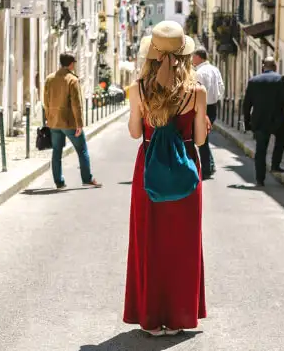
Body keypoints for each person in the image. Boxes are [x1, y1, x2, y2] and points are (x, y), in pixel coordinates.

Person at [124, 21, 209, 336]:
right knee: (182, 245)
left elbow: (135, 133)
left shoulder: (138, 89)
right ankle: (177, 318)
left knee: (150, 243)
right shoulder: (196, 92)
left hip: (148, 169)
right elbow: (199, 140)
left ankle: (151, 318)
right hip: (186, 171)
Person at [43, 52, 101, 190]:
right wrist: (79, 124)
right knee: (82, 150)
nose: (74, 65)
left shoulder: (50, 78)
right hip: (69, 122)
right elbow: (77, 104)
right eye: (74, 63)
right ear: (70, 64)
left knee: (56, 151)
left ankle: (59, 182)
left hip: (54, 122)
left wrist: (49, 117)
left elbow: (46, 101)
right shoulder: (72, 80)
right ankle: (87, 178)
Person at [243, 57, 284, 186]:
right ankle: (275, 164)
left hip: (259, 120)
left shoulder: (253, 81)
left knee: (261, 150)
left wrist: (247, 122)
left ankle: (260, 178)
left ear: (263, 67)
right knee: (281, 139)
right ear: (275, 67)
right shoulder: (280, 79)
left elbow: (247, 104)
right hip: (277, 120)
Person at [192, 47, 224, 179]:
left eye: (193, 57)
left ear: (199, 57)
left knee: (201, 138)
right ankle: (209, 165)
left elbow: (197, 92)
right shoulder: (215, 70)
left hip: (203, 108)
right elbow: (221, 87)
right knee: (204, 138)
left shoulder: (199, 72)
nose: (192, 59)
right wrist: (216, 98)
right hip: (213, 107)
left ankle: (207, 168)